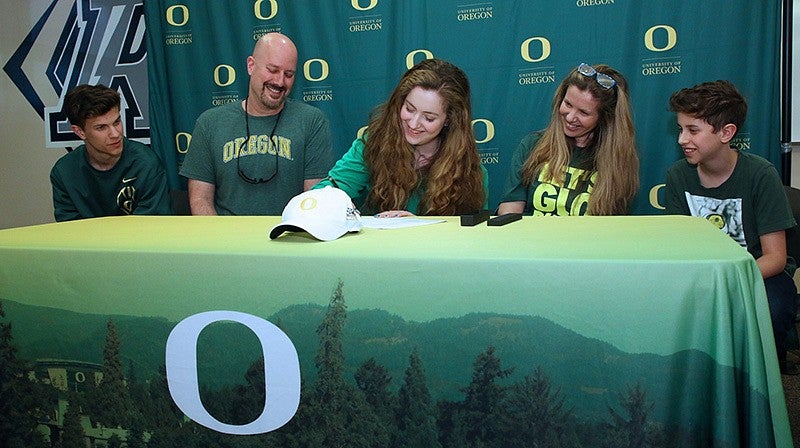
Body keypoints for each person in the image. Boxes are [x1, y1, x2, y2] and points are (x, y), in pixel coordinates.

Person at [664, 80, 798, 375]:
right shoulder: (677, 176)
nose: (682, 139)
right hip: (701, 274)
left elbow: (775, 257)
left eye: (693, 130)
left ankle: (762, 381)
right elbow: (678, 248)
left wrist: (727, 278)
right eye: (680, 129)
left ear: (727, 133)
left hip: (757, 274)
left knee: (774, 307)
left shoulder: (760, 174)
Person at [180, 32, 334, 215]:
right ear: (251, 65)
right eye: (272, 70)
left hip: (288, 237)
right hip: (227, 239)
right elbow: (200, 199)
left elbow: (313, 200)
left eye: (289, 74)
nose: (279, 81)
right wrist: (219, 240)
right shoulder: (210, 123)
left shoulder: (312, 121)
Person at [314, 58, 487, 216]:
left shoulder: (469, 170)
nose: (413, 124)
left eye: (429, 118)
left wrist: (419, 227)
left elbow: (474, 234)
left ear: (449, 119)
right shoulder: (373, 143)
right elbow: (328, 191)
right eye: (409, 109)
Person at [497, 63, 639, 216]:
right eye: (568, 104)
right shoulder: (532, 145)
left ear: (605, 118)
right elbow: (509, 212)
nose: (570, 117)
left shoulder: (618, 163)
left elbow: (613, 230)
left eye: (584, 113)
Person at [50, 84, 172, 221]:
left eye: (117, 122)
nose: (115, 134)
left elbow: (151, 228)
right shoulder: (64, 172)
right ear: (80, 131)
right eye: (101, 127)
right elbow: (68, 231)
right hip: (87, 242)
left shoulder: (146, 164)